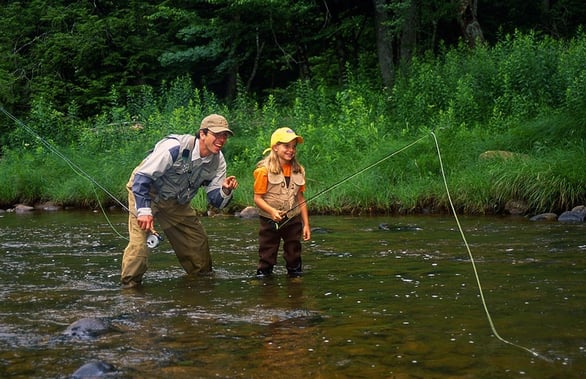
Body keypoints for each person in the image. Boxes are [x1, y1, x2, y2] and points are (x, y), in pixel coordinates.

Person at [121, 114, 238, 288]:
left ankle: (202, 287)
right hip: (146, 194)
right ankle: (129, 290)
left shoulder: (218, 160)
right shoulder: (174, 147)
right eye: (217, 134)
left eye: (225, 136)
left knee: (197, 242)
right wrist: (144, 211)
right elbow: (141, 178)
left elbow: (216, 201)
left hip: (176, 203)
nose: (221, 140)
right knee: (139, 247)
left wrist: (225, 190)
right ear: (203, 134)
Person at [253, 127, 311, 278]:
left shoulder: (299, 170)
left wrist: (306, 225)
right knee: (268, 251)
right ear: (275, 147)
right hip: (269, 220)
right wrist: (272, 212)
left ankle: (295, 276)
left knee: (294, 251)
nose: (291, 150)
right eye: (286, 146)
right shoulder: (263, 171)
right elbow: (257, 198)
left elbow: (301, 199)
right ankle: (263, 277)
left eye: (293, 147)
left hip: (293, 219)